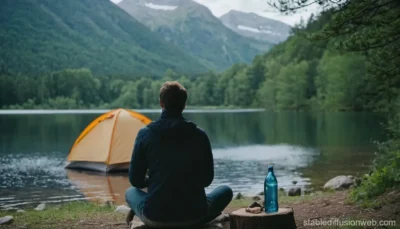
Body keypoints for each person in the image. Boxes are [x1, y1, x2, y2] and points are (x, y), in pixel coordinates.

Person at [125, 81, 233, 228]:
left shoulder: (145, 134)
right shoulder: (199, 135)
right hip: (195, 215)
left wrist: (151, 181)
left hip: (156, 217)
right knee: (226, 191)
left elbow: (135, 180)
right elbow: (207, 180)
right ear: (184, 105)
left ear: (161, 103)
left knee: (131, 192)